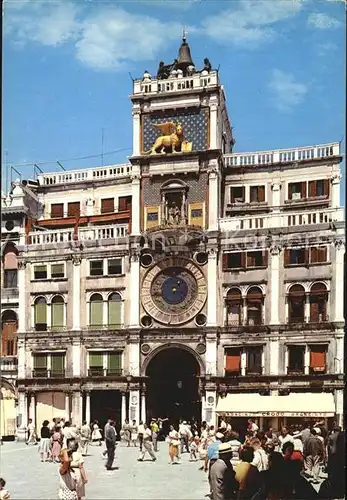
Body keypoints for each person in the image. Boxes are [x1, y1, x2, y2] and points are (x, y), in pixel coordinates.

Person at [205, 432, 224, 498]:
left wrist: (205, 465)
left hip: (213, 462)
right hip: (221, 461)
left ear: (216, 438)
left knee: (211, 477)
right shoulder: (223, 445)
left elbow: (207, 456)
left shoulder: (211, 445)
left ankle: (213, 490)